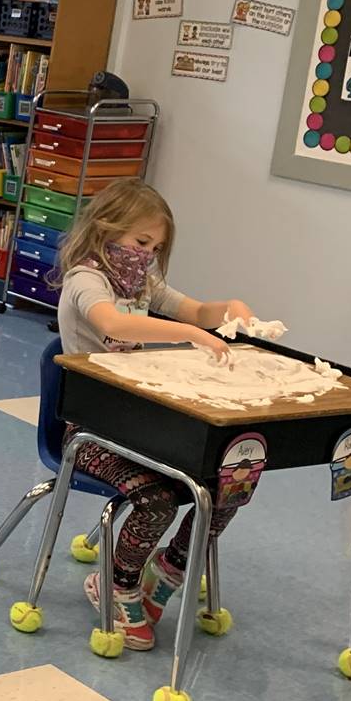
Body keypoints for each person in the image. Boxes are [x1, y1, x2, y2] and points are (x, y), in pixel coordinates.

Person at [54, 179, 258, 650]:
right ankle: (117, 582)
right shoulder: (87, 279)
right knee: (158, 500)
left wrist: (230, 308)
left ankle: (168, 572)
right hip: (91, 432)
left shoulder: (142, 283)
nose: (146, 254)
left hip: (143, 426)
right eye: (140, 243)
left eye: (156, 247)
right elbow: (112, 323)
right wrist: (186, 334)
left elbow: (198, 309)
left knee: (232, 479)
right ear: (105, 228)